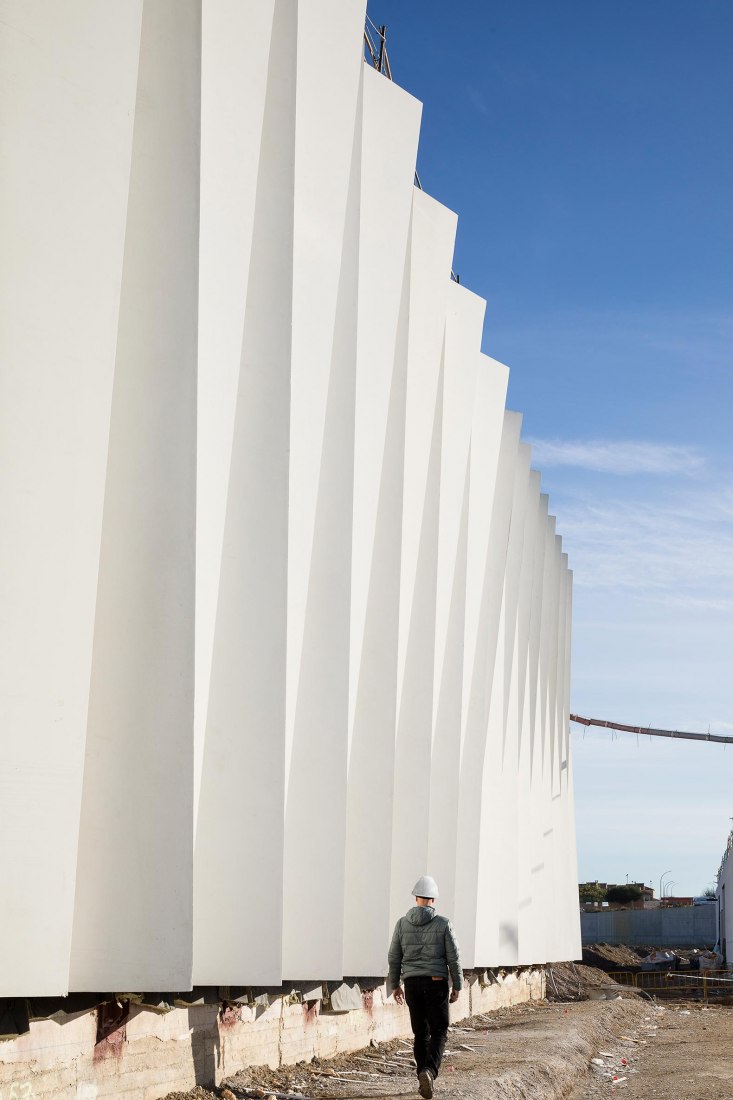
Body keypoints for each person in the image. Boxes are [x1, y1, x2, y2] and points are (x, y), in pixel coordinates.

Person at [387, 876, 463, 1100]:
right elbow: (454, 957)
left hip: (411, 983)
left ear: (416, 897)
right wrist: (457, 984)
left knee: (420, 1032)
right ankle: (429, 1071)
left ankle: (422, 1075)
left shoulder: (401, 923)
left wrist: (395, 985)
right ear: (433, 899)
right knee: (439, 1029)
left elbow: (394, 956)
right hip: (436, 983)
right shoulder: (443, 924)